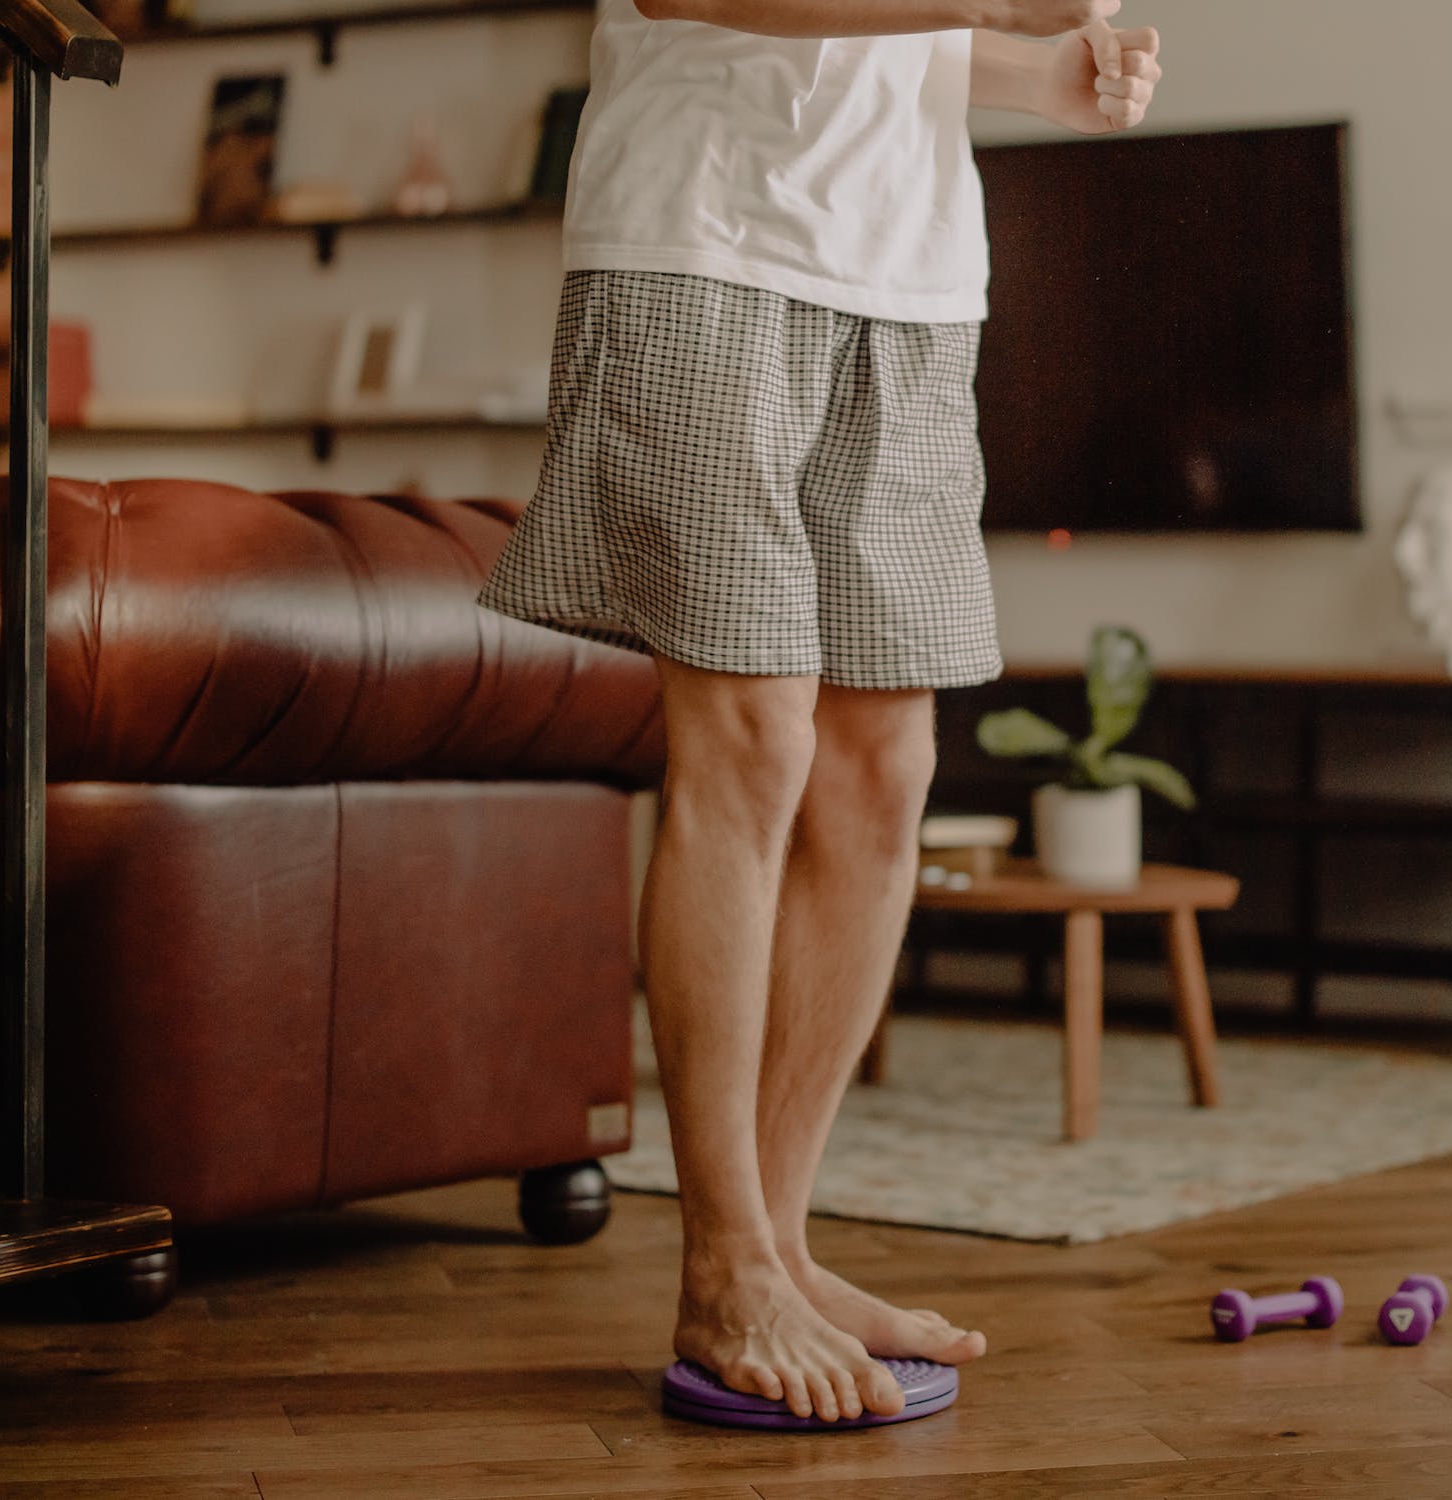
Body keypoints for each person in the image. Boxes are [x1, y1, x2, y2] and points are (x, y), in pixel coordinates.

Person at [477, 0, 1163, 1424]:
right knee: (754, 742)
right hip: (700, 250)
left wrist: (1038, 73)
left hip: (910, 280)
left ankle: (780, 1248)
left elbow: (884, 42)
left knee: (881, 771)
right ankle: (721, 1262)